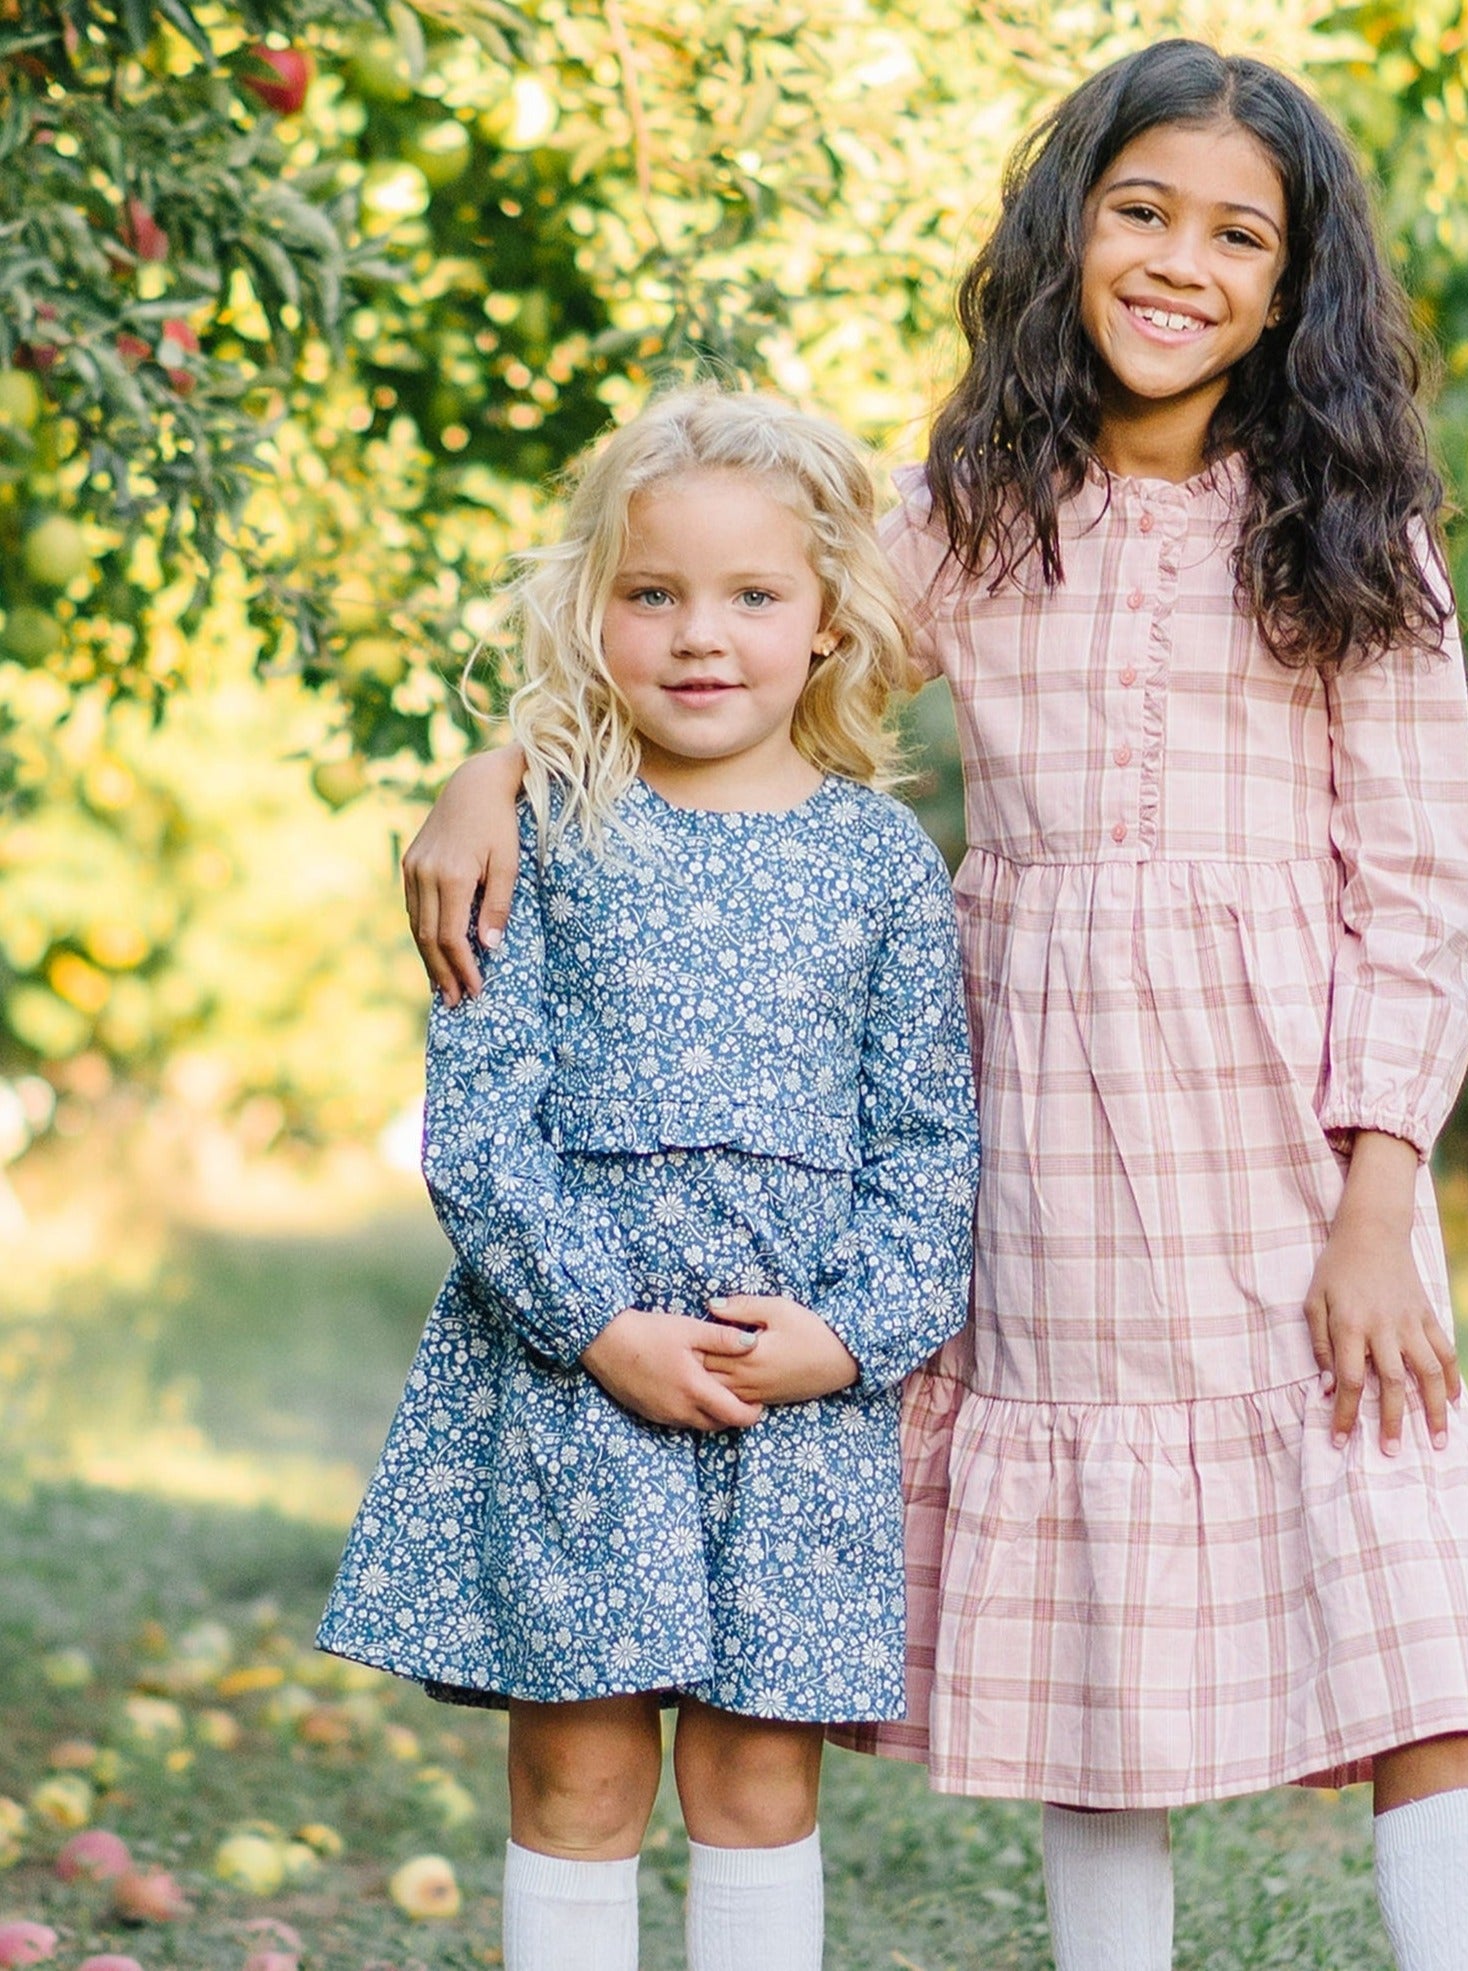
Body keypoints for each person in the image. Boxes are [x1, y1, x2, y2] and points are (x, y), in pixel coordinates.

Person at [399, 40, 1468, 1971]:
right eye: (1141, 210)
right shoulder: (972, 506)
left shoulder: (1356, 543)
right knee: (1114, 1617)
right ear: (1070, 228)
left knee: (1417, 1584)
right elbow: (753, 630)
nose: (1180, 261)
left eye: (1235, 232)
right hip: (1049, 1107)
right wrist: (499, 761)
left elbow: (1417, 899)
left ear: (1293, 280)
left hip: (1290, 1129)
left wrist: (1377, 1197)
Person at [317, 387, 979, 1971]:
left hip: (791, 1388)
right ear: (592, 611)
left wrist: (853, 1334)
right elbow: (479, 1127)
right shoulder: (535, 834)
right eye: (653, 593)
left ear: (828, 625)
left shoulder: (878, 860)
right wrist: (599, 1324)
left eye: (754, 596)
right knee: (580, 1766)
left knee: (758, 1778)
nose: (702, 635)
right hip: (574, 1378)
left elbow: (932, 1147)